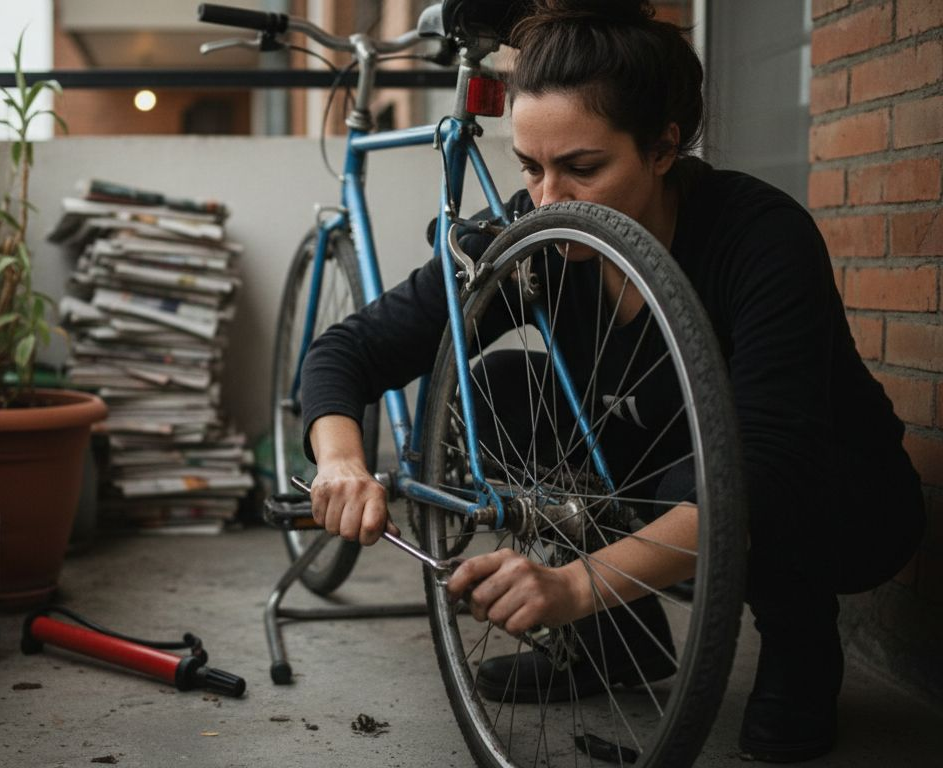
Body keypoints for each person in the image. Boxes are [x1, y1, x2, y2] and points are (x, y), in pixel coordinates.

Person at [298, 0, 925, 763]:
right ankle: (614, 647)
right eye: (531, 167)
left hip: (838, 501)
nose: (548, 200)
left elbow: (767, 473)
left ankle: (801, 651)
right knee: (495, 389)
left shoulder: (759, 235)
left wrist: (572, 586)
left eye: (582, 168)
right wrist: (339, 461)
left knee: (711, 473)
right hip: (677, 483)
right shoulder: (535, 239)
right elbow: (349, 351)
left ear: (662, 148)